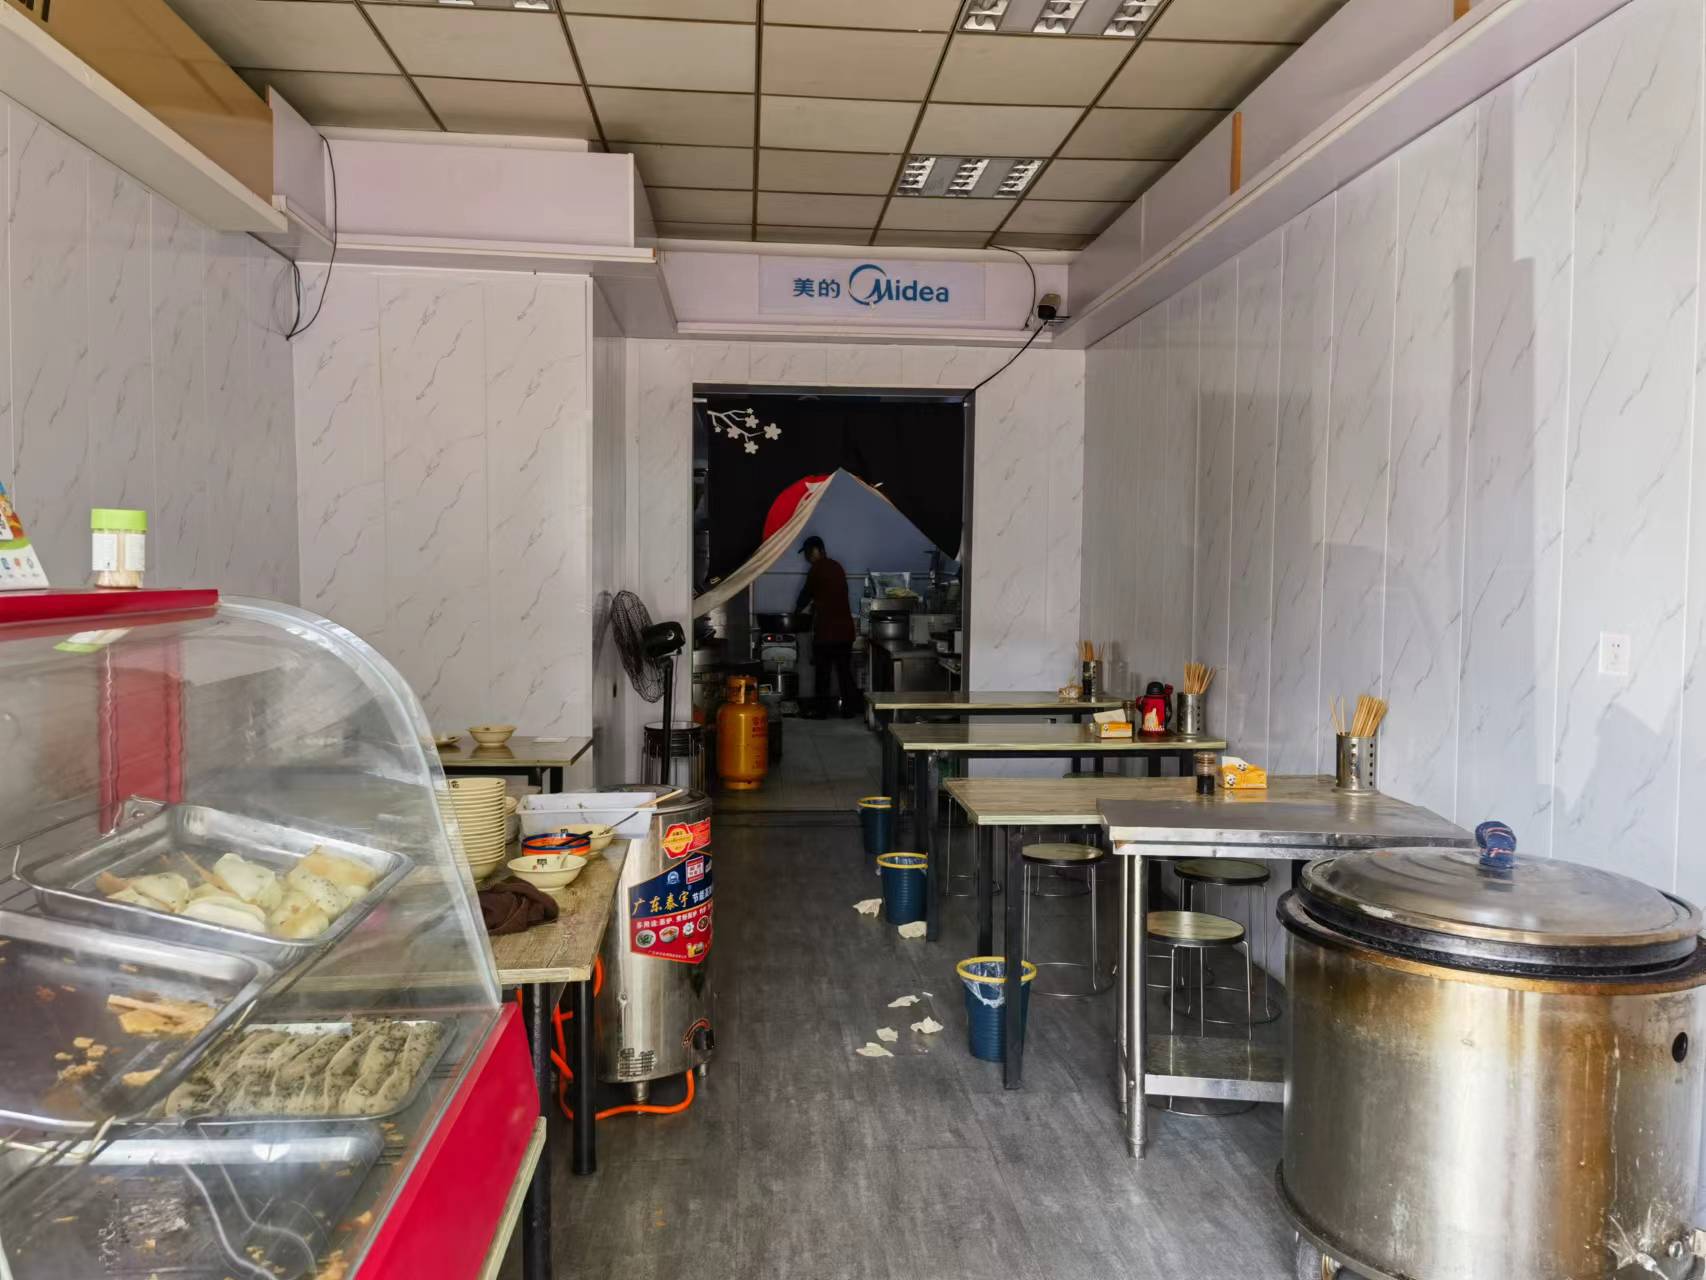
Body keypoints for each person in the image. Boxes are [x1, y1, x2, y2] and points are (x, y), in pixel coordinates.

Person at [794, 535, 858, 718]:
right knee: (844, 671)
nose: (807, 556)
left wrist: (796, 613)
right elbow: (834, 594)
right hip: (845, 631)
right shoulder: (837, 566)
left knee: (823, 672)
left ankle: (821, 711)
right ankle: (849, 710)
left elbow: (805, 594)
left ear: (820, 550)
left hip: (827, 631)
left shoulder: (817, 569)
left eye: (809, 552)